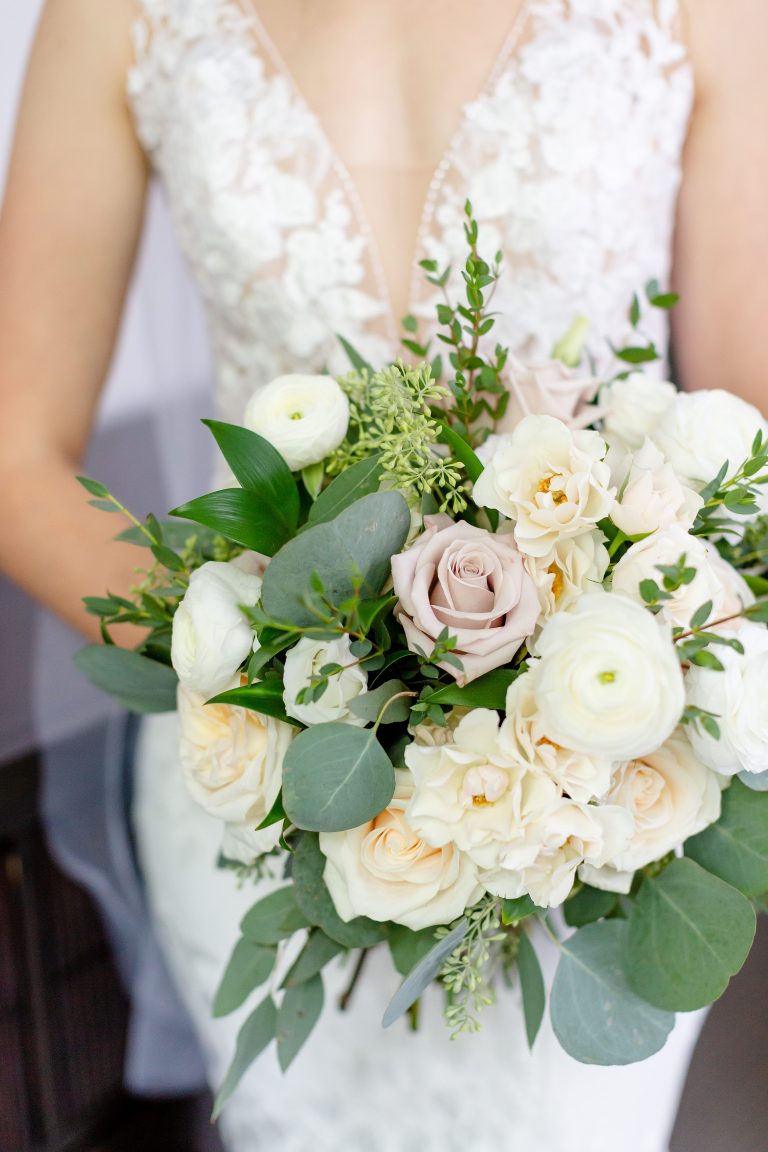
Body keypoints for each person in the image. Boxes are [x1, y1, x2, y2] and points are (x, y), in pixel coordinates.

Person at [0, 2, 766, 1150]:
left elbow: (746, 431)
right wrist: (276, 674)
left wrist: (565, 698)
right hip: (260, 788)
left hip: (591, 791)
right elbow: (14, 454)